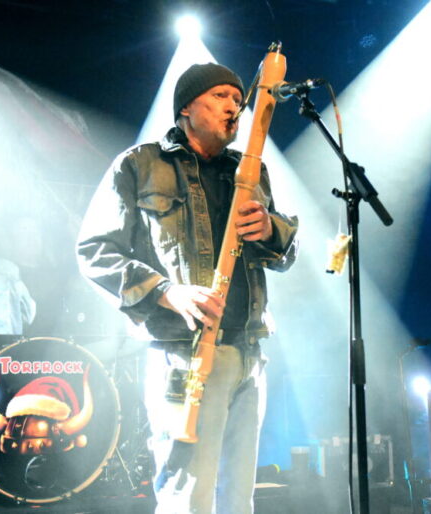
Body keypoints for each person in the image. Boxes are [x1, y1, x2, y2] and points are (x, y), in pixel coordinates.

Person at [77, 62, 298, 513]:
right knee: (188, 498)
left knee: (238, 500)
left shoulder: (251, 170)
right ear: (186, 108)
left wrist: (270, 230)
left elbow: (284, 255)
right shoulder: (140, 164)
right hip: (183, 353)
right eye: (220, 96)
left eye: (237, 99)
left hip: (248, 353)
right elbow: (94, 251)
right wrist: (166, 291)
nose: (234, 107)